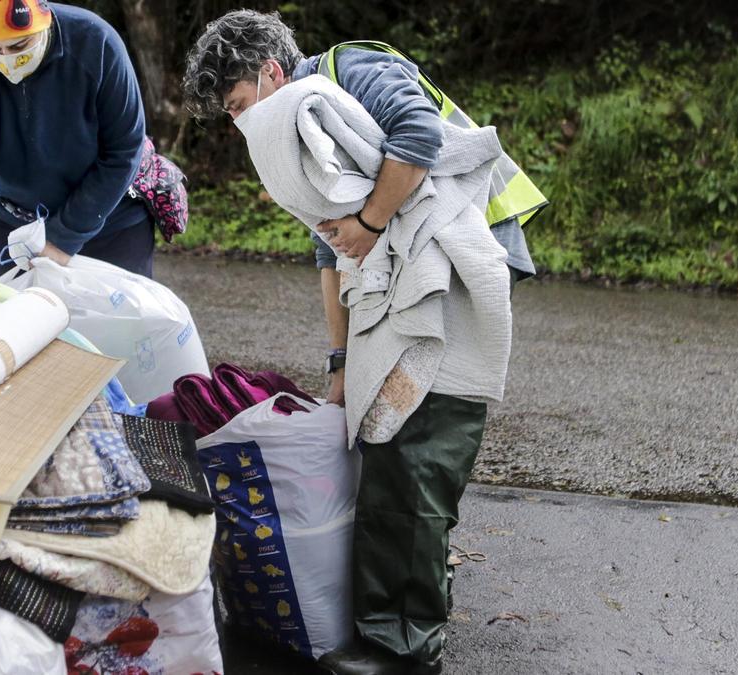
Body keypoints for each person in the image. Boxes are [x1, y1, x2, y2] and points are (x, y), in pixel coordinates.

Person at [183, 11, 539, 675]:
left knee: (418, 446)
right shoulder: (305, 133)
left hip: (465, 255)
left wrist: (370, 223)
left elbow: (418, 133)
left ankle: (404, 647)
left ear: (271, 72)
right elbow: (330, 252)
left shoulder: (349, 73)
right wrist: (343, 366)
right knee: (387, 431)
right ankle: (416, 594)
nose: (238, 123)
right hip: (421, 262)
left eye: (236, 104)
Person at [0, 0, 155, 281]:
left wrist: (62, 238)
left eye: (21, 46)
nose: (8, 58)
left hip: (110, 217)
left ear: (44, 20)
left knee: (120, 322)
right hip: (12, 219)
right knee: (23, 320)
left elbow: (124, 150)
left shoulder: (96, 42)